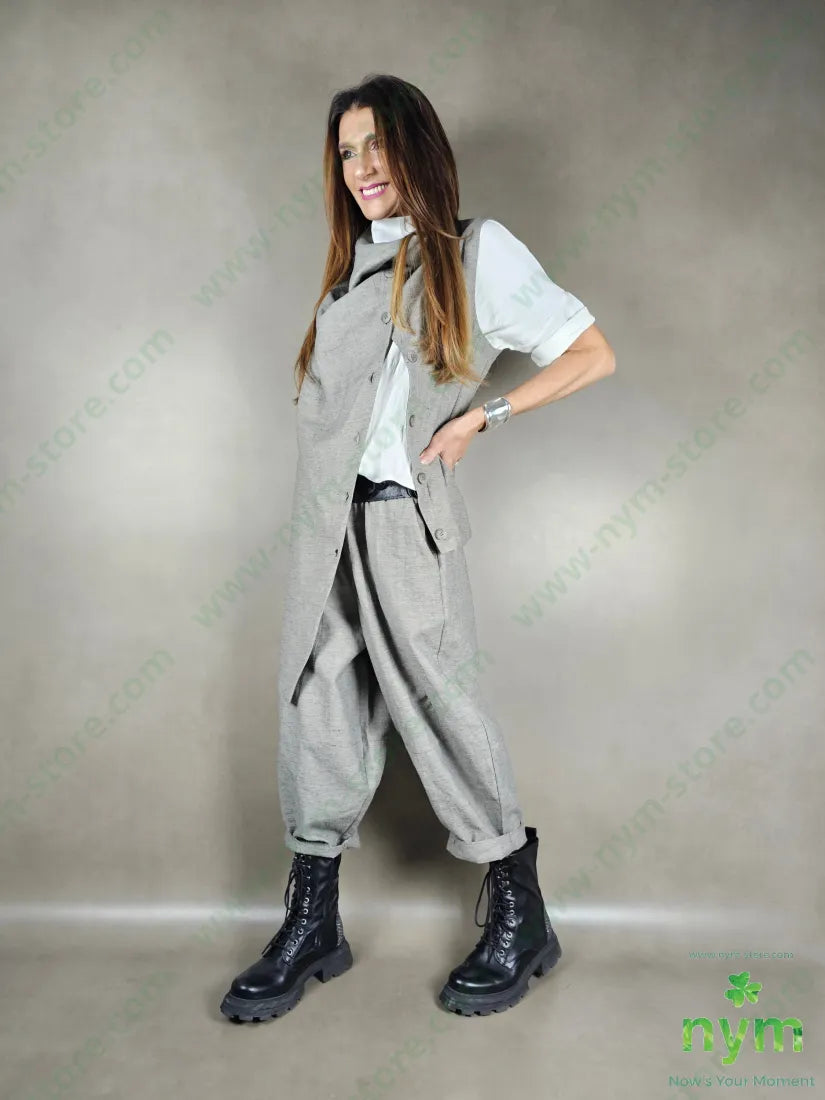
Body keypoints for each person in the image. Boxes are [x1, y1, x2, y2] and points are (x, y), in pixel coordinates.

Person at [220, 73, 615, 1023]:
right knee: (317, 708)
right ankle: (312, 922)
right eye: (346, 152)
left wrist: (483, 416)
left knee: (442, 709)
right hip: (328, 529)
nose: (361, 168)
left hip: (404, 523)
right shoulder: (350, 272)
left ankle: (521, 915)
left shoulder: (474, 253)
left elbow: (591, 354)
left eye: (377, 145)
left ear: (417, 149)